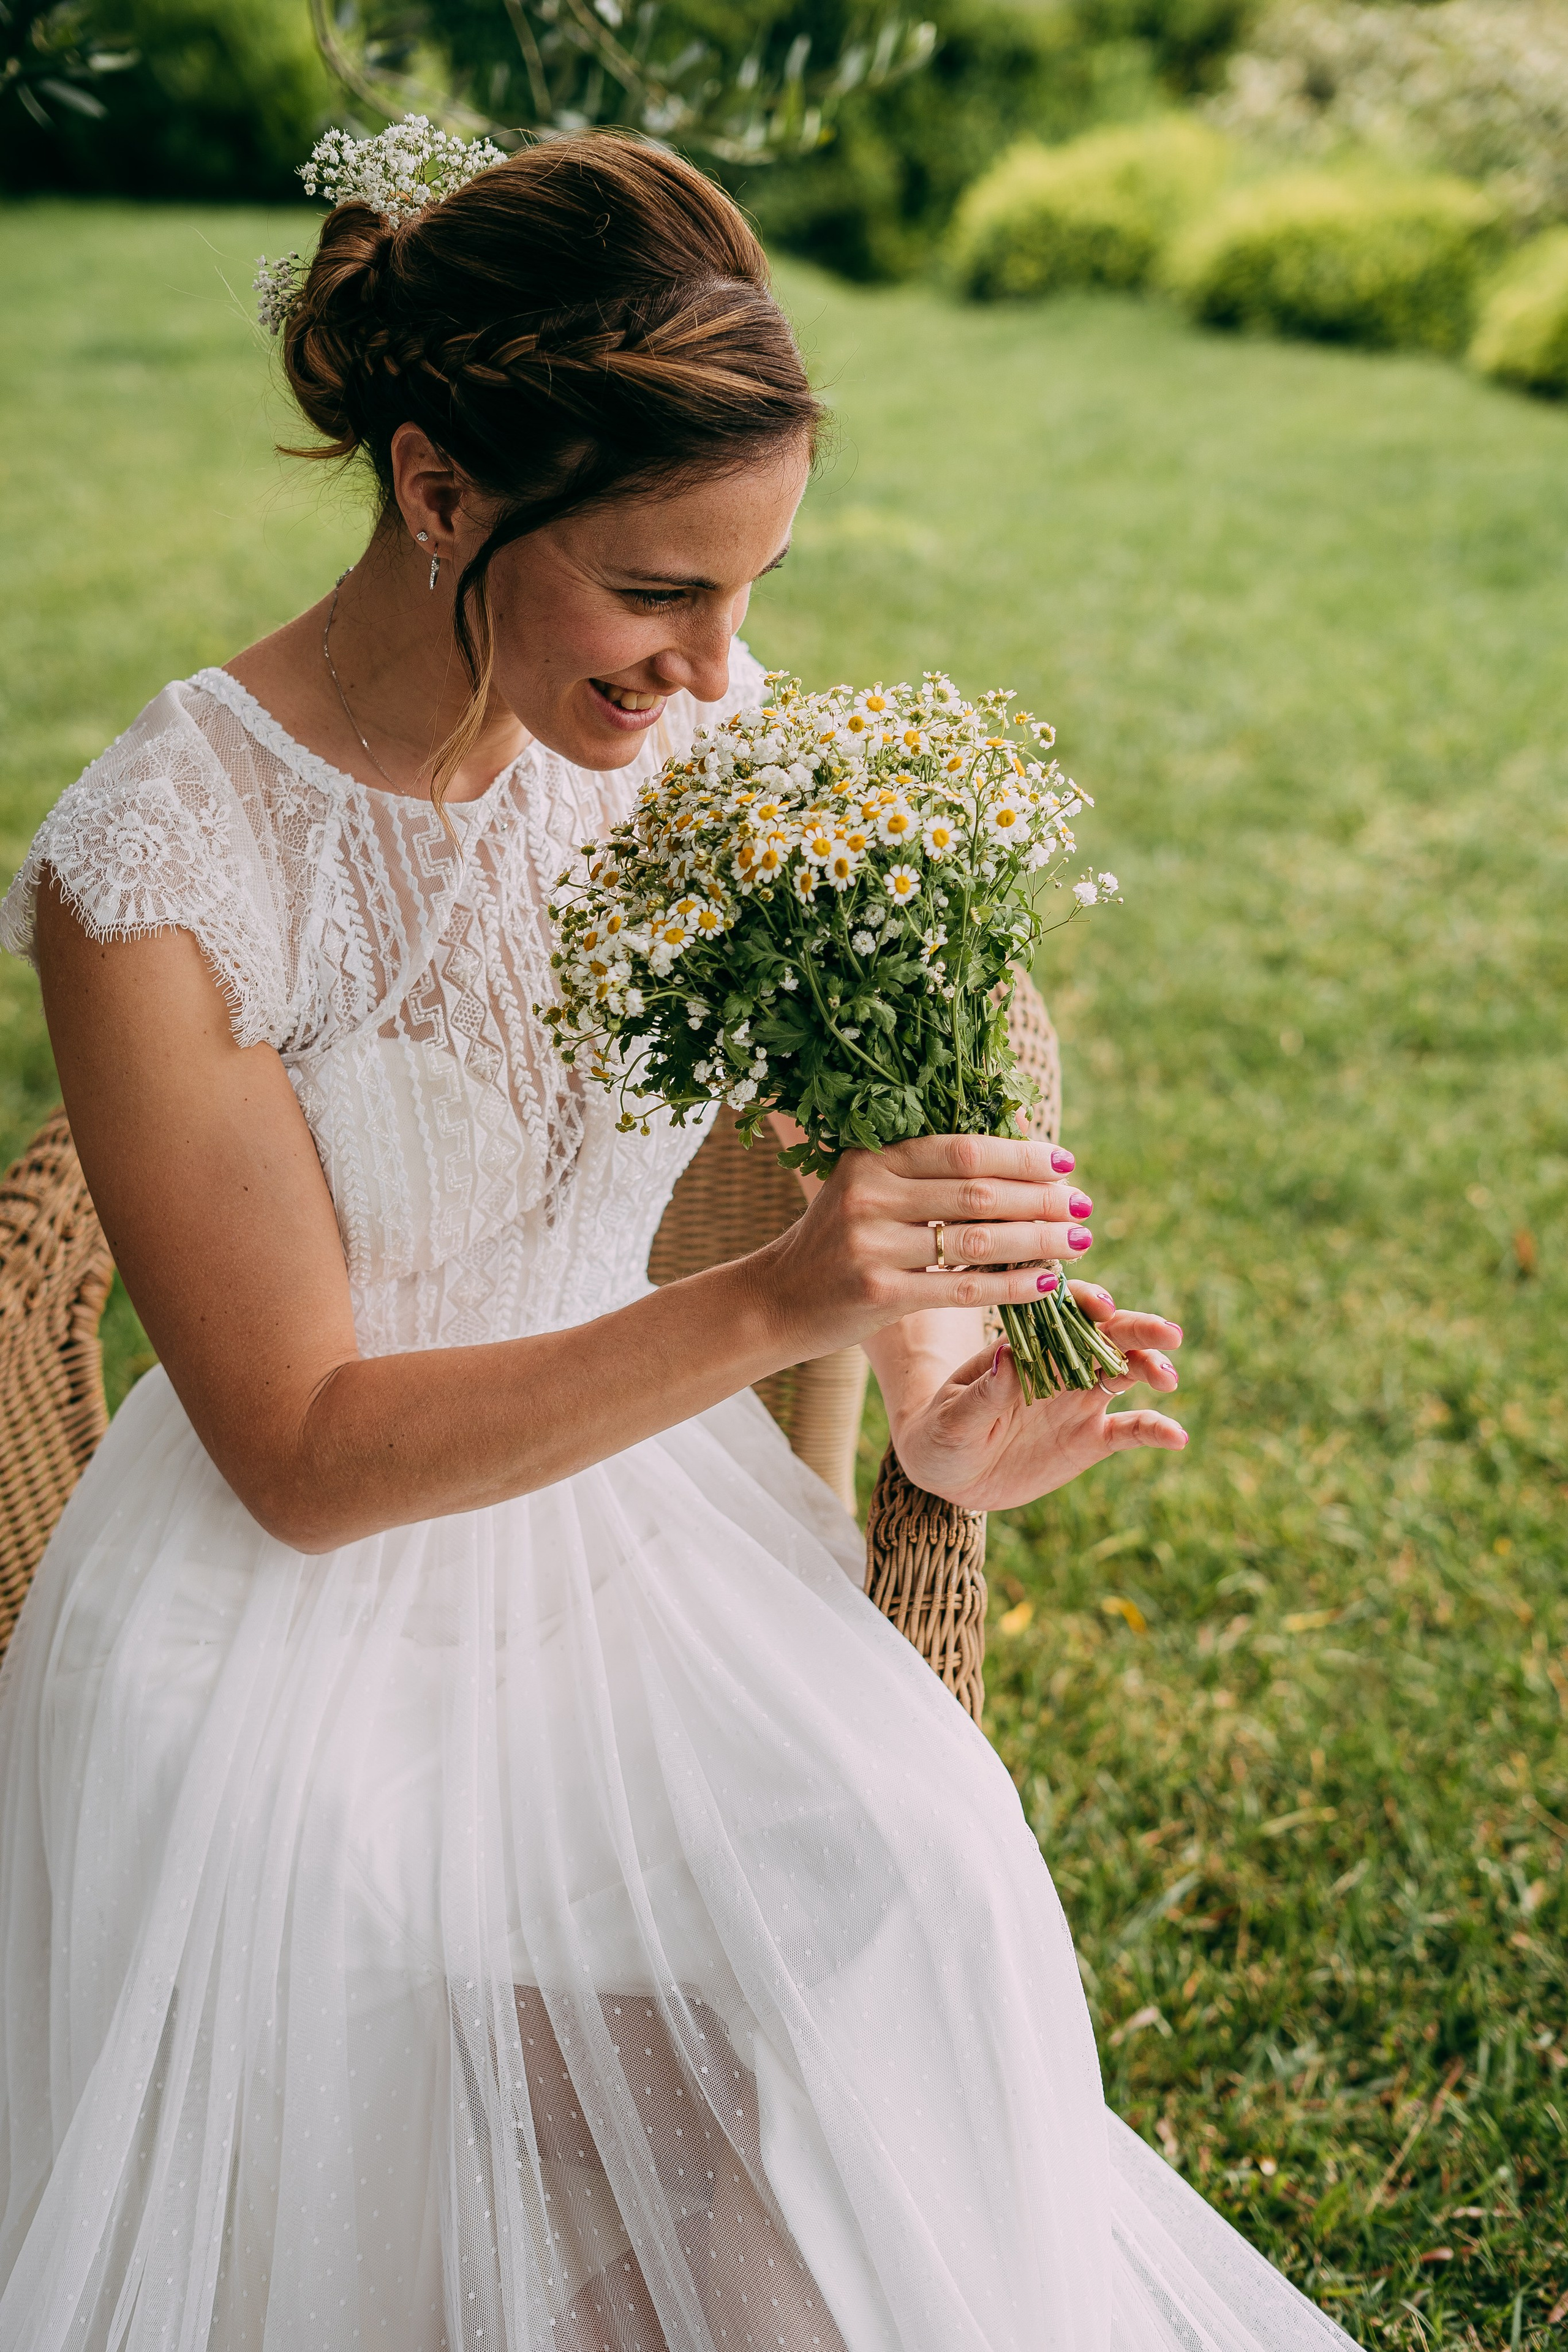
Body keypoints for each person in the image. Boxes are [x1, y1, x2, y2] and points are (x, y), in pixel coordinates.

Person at [0, 125, 1348, 2352]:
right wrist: (785, 1293)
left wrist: (943, 1398)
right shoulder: (163, 857)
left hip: (646, 1543)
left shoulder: (694, 753)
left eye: (754, 589)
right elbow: (306, 1456)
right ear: (439, 492)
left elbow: (859, 1106)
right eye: (658, 593)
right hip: (284, 1631)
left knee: (901, 1878)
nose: (721, 674)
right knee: (411, 1962)